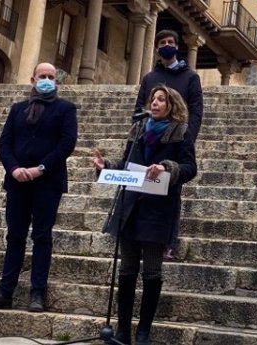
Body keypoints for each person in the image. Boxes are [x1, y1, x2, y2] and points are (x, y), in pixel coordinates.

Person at [94, 85, 197, 345]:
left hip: (158, 209)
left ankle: (143, 332)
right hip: (131, 207)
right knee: (127, 269)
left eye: (161, 99)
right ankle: (122, 331)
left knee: (151, 271)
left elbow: (189, 168)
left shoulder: (181, 132)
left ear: (172, 104)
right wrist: (106, 166)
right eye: (153, 99)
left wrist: (165, 167)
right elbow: (127, 163)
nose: (155, 103)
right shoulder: (139, 128)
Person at [0, 62, 78, 312]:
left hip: (48, 182)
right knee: (15, 236)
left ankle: (37, 293)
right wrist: (14, 169)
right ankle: (5, 291)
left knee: (42, 237)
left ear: (57, 82)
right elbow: (4, 144)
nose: (46, 79)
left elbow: (66, 144)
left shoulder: (65, 109)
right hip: (18, 182)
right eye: (42, 76)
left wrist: (40, 168)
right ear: (32, 80)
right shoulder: (18, 109)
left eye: (51, 76)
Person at [135, 29, 204, 260]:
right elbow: (140, 108)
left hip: (176, 141)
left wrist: (187, 136)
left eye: (171, 42)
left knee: (171, 193)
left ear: (177, 46)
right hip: (149, 139)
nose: (167, 45)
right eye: (163, 42)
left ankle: (169, 242)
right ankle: (143, 235)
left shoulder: (191, 77)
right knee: (145, 189)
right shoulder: (150, 78)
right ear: (157, 47)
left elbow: (196, 110)